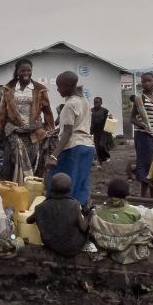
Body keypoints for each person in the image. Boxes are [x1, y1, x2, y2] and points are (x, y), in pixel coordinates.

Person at [89, 178, 153, 264]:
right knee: (149, 233)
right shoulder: (133, 212)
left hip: (104, 246)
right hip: (124, 251)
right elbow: (145, 234)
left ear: (108, 193)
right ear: (126, 194)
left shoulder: (98, 211)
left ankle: (105, 252)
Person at [0, 59, 55, 184]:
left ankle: (28, 193)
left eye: (29, 70)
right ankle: (11, 193)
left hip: (33, 135)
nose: (26, 73)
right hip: (14, 133)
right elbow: (2, 114)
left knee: (33, 166)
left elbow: (48, 113)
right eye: (23, 70)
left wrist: (49, 132)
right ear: (17, 72)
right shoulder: (9, 89)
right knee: (9, 165)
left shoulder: (39, 89)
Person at [48, 72, 96, 207]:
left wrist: (53, 155)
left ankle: (63, 213)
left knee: (64, 184)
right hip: (87, 147)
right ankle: (81, 213)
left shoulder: (70, 105)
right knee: (81, 183)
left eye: (59, 86)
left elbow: (68, 132)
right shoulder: (84, 101)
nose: (57, 89)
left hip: (73, 148)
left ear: (69, 86)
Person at [26, 173, 88, 257]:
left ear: (51, 188)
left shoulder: (41, 207)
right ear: (70, 189)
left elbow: (28, 220)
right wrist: (89, 214)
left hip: (51, 246)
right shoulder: (74, 204)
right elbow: (84, 228)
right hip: (73, 247)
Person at [89, 97, 113, 165]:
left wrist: (110, 118)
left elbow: (109, 119)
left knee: (101, 145)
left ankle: (107, 157)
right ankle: (100, 160)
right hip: (95, 131)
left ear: (101, 103)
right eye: (94, 102)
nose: (95, 103)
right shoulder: (91, 110)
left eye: (97, 102)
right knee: (97, 146)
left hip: (103, 131)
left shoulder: (105, 111)